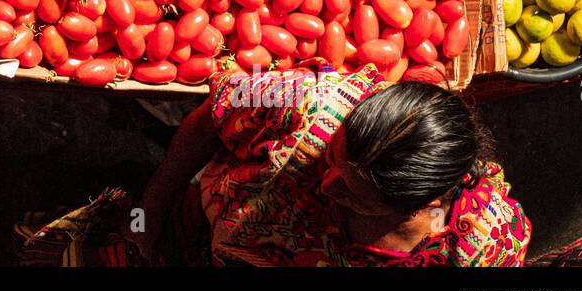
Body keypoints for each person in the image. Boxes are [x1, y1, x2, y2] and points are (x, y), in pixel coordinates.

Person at [128, 66, 531, 266]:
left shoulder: (483, 241)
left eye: (354, 194)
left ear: (428, 204)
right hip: (202, 228)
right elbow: (212, 114)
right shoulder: (308, 98)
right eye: (333, 157)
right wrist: (150, 211)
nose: (326, 184)